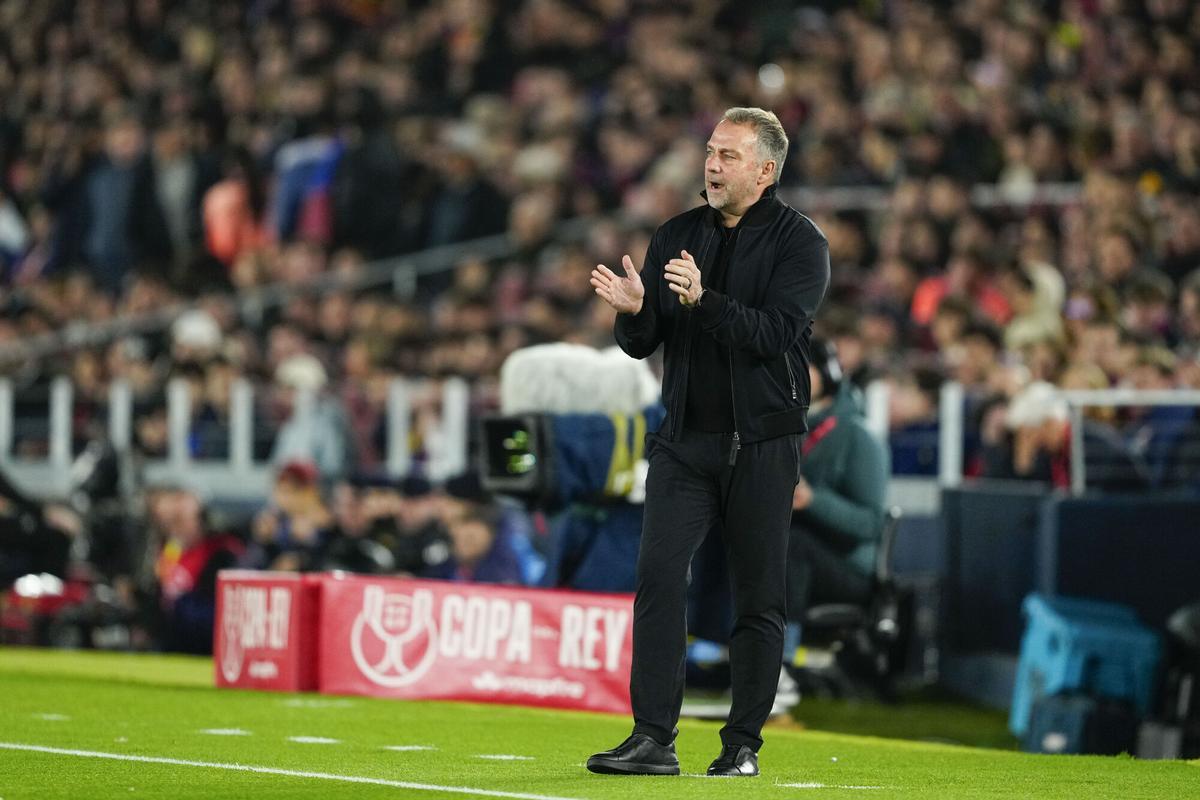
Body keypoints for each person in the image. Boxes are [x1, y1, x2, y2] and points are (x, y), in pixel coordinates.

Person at [587, 107, 829, 778]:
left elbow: (775, 334)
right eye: (711, 151)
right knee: (659, 579)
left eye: (728, 155)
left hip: (762, 444)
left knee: (758, 597)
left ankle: (742, 745)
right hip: (685, 441)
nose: (712, 164)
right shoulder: (676, 234)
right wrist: (637, 314)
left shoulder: (800, 243)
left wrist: (706, 301)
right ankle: (652, 738)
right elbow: (649, 342)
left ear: (765, 170)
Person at [784, 338, 890, 658]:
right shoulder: (790, 426)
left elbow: (871, 523)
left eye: (803, 368)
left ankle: (779, 661)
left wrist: (813, 501)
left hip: (849, 566)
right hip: (804, 552)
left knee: (792, 545)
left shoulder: (858, 436)